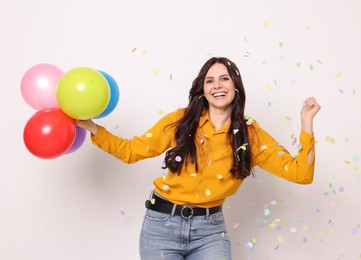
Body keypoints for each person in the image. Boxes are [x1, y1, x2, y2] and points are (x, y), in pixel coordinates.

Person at [76, 57, 321, 260]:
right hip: (161, 226)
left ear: (236, 85)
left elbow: (300, 173)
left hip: (210, 232)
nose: (217, 86)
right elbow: (131, 151)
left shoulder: (251, 134)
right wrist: (94, 128)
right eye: (210, 81)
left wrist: (306, 123)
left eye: (224, 78)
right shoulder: (180, 121)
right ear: (202, 89)